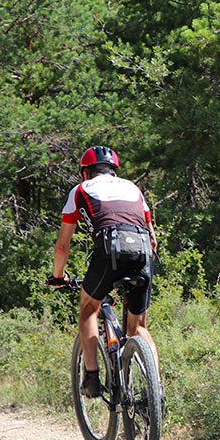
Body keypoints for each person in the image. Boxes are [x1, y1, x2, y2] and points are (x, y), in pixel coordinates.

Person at [47, 146, 159, 397]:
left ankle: (92, 377)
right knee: (139, 327)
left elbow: (63, 246)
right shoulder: (133, 188)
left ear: (85, 172)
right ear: (114, 170)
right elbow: (153, 239)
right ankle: (156, 390)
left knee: (88, 308)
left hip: (109, 251)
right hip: (142, 252)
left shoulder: (80, 190)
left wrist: (58, 277)